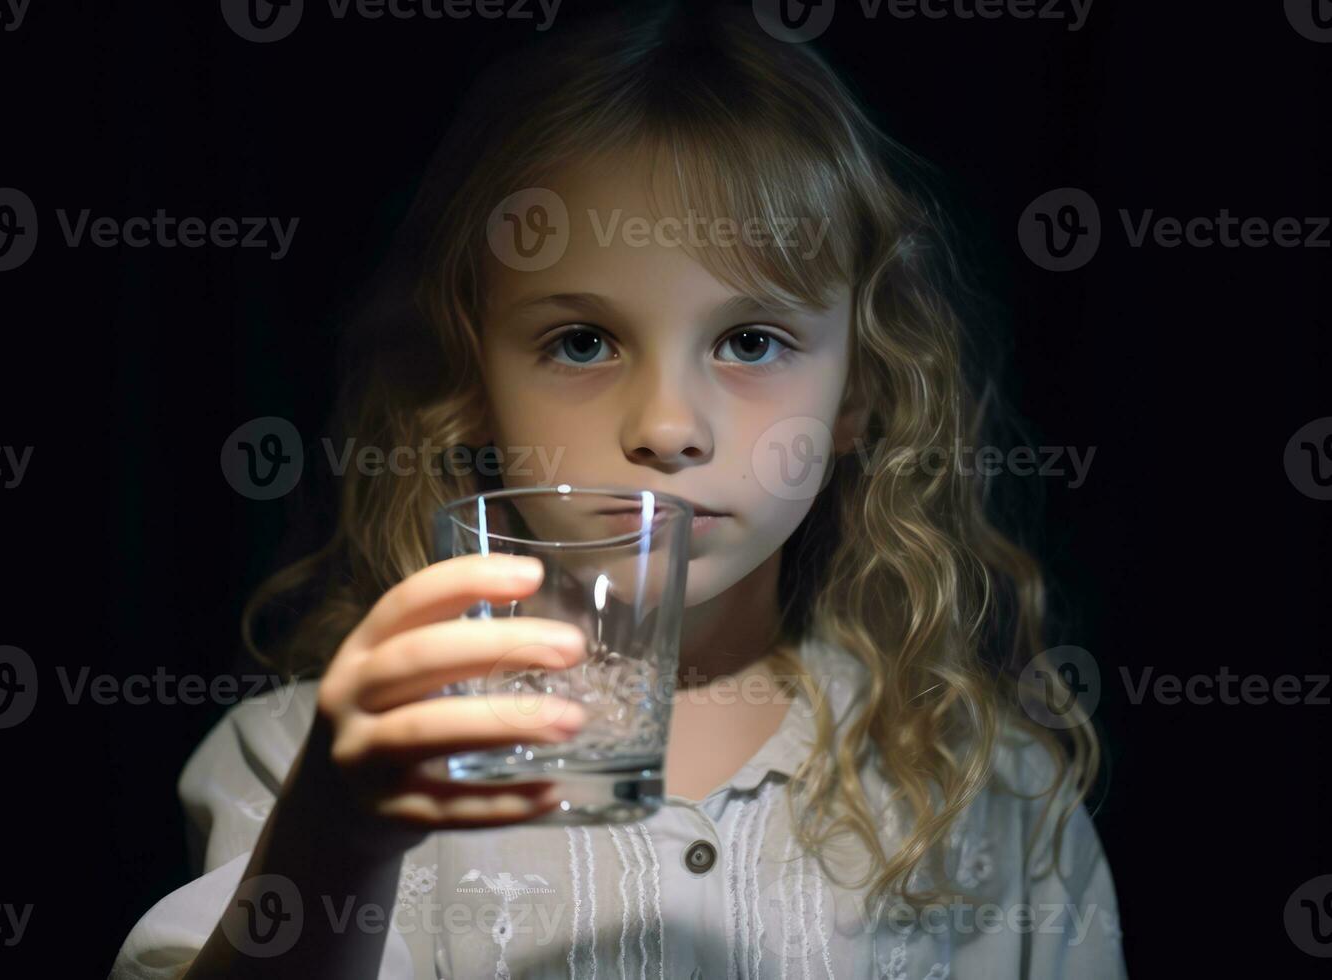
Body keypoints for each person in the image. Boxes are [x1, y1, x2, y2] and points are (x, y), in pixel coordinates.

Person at [110, 2, 1126, 976]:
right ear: (472, 390)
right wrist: (338, 833)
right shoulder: (299, 762)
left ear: (858, 389)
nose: (667, 427)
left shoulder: (989, 794)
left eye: (751, 340)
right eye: (582, 341)